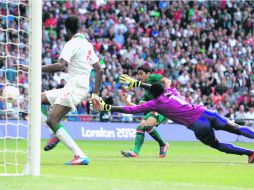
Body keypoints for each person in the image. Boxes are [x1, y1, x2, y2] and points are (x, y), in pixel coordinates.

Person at [99, 76, 254, 163]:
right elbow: (157, 87)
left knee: (217, 144)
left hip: (198, 124)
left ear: (152, 94)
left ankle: (250, 153)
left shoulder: (156, 103)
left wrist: (108, 107)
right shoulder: (171, 91)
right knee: (237, 128)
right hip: (206, 112)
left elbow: (132, 109)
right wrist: (138, 84)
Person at [37, 16, 103, 165]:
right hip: (75, 86)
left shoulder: (71, 43)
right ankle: (55, 133)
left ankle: (79, 155)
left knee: (51, 120)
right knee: (37, 99)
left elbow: (61, 65)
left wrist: (36, 68)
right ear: (79, 26)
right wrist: (95, 94)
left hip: (75, 87)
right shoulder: (87, 44)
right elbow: (99, 71)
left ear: (67, 29)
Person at [120, 65, 169, 158]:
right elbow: (138, 107)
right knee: (141, 127)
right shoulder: (146, 94)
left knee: (145, 125)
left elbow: (167, 81)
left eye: (141, 74)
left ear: (148, 74)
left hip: (162, 109)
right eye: (138, 74)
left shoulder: (153, 77)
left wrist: (167, 94)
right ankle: (136, 152)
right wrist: (126, 101)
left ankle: (162, 144)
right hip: (153, 111)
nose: (139, 76)